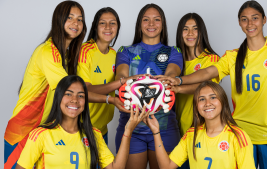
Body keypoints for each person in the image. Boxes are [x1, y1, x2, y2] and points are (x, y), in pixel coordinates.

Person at [157, 1, 267, 168]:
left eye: (255, 18)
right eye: (244, 19)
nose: (250, 23)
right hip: (240, 133)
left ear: (264, 20)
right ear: (239, 23)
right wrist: (179, 80)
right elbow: (208, 73)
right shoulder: (232, 56)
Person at [4, 1, 87, 168]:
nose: (75, 23)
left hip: (45, 132)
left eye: (80, 19)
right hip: (24, 132)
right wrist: (110, 99)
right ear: (59, 20)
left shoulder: (67, 56)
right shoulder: (48, 52)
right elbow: (72, 91)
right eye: (70, 18)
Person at [15, 75, 150, 169]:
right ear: (58, 98)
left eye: (81, 96)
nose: (74, 99)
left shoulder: (94, 134)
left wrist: (128, 131)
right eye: (68, 94)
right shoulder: (40, 135)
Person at [115, 3, 183, 169]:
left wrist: (165, 79)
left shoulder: (173, 51)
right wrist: (128, 80)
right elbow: (121, 77)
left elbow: (172, 73)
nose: (151, 24)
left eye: (156, 19)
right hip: (131, 128)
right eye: (146, 19)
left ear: (163, 24)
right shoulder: (125, 50)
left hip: (164, 127)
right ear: (140, 24)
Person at [144, 81, 255, 169]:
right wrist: (156, 132)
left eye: (213, 97)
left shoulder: (238, 136)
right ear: (196, 106)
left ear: (223, 101)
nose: (207, 103)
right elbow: (166, 166)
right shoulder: (191, 134)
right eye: (202, 99)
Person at [77, 7, 133, 144]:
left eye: (112, 23)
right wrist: (122, 81)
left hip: (102, 129)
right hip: (82, 128)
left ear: (118, 27)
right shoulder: (85, 51)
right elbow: (85, 90)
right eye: (103, 23)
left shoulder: (115, 55)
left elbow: (121, 89)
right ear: (95, 26)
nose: (108, 27)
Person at [174, 13, 220, 137]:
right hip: (177, 128)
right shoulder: (175, 63)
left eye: (195, 29)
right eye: (185, 29)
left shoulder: (212, 59)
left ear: (202, 32)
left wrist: (178, 88)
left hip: (203, 129)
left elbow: (206, 87)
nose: (190, 33)